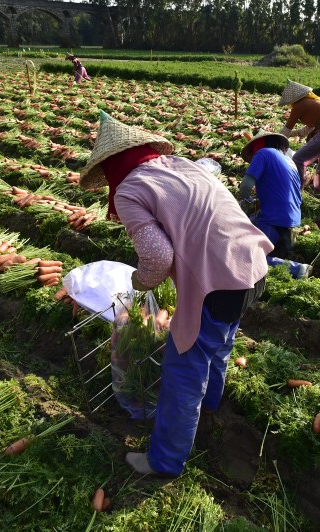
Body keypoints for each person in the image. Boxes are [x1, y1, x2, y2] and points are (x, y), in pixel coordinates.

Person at [79, 111, 271, 477]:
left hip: (218, 281)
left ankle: (164, 462)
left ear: (110, 169)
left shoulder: (130, 191)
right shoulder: (181, 164)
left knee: (183, 370)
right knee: (220, 341)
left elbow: (158, 256)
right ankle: (212, 404)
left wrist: (140, 281)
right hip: (253, 263)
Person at [239, 130, 312, 279]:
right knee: (253, 221)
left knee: (245, 255)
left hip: (274, 219)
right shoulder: (288, 159)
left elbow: (245, 186)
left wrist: (240, 207)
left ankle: (296, 269)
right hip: (291, 220)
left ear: (258, 146)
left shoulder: (263, 153)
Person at [278, 80, 320, 197]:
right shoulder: (314, 102)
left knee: (299, 159)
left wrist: (274, 141)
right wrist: (289, 135)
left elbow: (286, 129)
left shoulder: (300, 105)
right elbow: (306, 130)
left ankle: (297, 192)